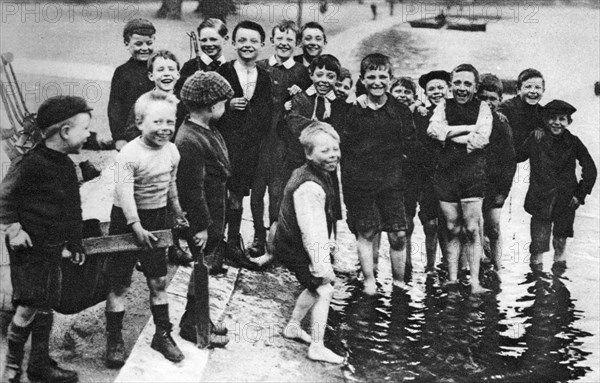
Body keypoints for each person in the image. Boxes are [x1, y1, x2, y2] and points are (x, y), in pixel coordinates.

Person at [0, 96, 92, 383]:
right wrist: (15, 230)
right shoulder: (28, 164)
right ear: (65, 132)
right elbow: (4, 200)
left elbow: (73, 209)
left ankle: (39, 365)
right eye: (85, 128)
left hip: (53, 247)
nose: (89, 134)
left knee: (47, 302)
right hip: (28, 249)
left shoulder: (65, 166)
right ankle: (12, 367)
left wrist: (75, 241)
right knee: (29, 304)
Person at [104, 92, 187, 367]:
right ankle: (114, 339)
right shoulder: (129, 154)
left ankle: (162, 335)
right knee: (120, 283)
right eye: (157, 121)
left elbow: (171, 184)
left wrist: (177, 212)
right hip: (126, 221)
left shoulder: (172, 151)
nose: (165, 128)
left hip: (157, 219)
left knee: (157, 281)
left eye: (170, 121)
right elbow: (124, 192)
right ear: (139, 122)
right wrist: (134, 225)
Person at [341, 53, 415, 294]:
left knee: (399, 234)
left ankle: (399, 282)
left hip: (392, 181)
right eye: (371, 77)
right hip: (362, 182)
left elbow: (410, 143)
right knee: (367, 231)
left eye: (382, 77)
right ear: (362, 79)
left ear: (391, 79)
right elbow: (346, 147)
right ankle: (370, 281)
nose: (377, 82)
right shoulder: (356, 110)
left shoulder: (400, 110)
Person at [274, 121, 344, 365]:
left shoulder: (315, 172)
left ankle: (293, 326)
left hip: (289, 242)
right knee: (324, 288)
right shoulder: (310, 186)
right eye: (324, 151)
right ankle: (317, 345)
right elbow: (311, 232)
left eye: (335, 149)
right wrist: (322, 266)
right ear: (308, 153)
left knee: (313, 286)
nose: (333, 155)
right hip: (293, 245)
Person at [175, 71, 235, 347]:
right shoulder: (189, 139)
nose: (226, 106)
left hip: (214, 212)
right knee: (200, 269)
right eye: (223, 102)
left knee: (206, 267)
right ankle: (192, 323)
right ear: (211, 106)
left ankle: (200, 316)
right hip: (203, 218)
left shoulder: (206, 130)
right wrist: (199, 226)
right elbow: (190, 189)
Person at [427, 63, 492, 295]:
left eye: (467, 84)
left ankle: (474, 281)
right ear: (450, 85)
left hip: (472, 174)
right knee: (452, 227)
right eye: (457, 83)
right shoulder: (444, 105)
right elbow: (434, 130)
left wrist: (449, 134)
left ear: (475, 87)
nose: (461, 88)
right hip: (446, 173)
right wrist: (466, 130)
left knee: (472, 229)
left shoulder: (483, 107)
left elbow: (482, 138)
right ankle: (453, 278)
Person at [250, 20, 311, 258]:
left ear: (296, 44)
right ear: (273, 40)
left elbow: (308, 105)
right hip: (260, 138)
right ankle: (257, 235)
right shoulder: (260, 67)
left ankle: (274, 237)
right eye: (280, 38)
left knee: (277, 191)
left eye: (290, 40)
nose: (284, 43)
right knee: (257, 191)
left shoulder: (303, 73)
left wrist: (298, 97)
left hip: (284, 142)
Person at [517, 100, 596, 275]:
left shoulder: (574, 142)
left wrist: (579, 196)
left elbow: (590, 170)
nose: (557, 123)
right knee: (537, 246)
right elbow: (517, 156)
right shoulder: (535, 138)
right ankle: (536, 284)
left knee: (560, 242)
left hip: (566, 201)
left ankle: (559, 281)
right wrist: (529, 133)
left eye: (562, 119)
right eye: (552, 118)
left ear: (569, 122)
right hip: (540, 199)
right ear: (544, 120)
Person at [216, 20, 272, 269]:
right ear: (233, 43)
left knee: (237, 196)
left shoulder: (265, 77)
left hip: (249, 149)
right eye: (242, 40)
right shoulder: (223, 73)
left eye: (252, 41)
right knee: (219, 195)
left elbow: (266, 113)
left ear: (261, 45)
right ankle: (215, 244)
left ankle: (232, 242)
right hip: (223, 145)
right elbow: (209, 109)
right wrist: (227, 107)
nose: (247, 45)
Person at [403, 70, 451, 274]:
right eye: (431, 89)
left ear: (448, 89)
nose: (436, 92)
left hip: (447, 174)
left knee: (444, 224)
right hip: (420, 174)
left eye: (440, 87)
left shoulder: (455, 112)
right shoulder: (421, 113)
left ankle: (440, 266)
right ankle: (410, 265)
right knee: (426, 222)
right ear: (425, 93)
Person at [476, 73, 517, 275]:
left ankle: (498, 265)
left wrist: (503, 191)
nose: (488, 102)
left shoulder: (501, 124)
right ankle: (474, 265)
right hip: (472, 184)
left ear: (500, 101)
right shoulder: (468, 120)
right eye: (483, 98)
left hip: (494, 186)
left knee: (493, 227)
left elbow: (509, 161)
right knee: (472, 228)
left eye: (492, 99)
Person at [108, 18, 156, 151]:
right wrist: (119, 137)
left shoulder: (160, 67)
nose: (144, 48)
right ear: (126, 43)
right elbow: (115, 107)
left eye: (149, 43)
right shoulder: (122, 72)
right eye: (138, 44)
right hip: (132, 134)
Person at [122, 50, 182, 142]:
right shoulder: (143, 102)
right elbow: (131, 132)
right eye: (160, 70)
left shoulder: (183, 101)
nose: (166, 73)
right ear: (151, 76)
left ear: (178, 74)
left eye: (171, 69)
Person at [175, 18, 229, 99]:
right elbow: (180, 96)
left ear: (225, 39)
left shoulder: (231, 68)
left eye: (213, 39)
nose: (208, 44)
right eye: (204, 40)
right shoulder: (190, 66)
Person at [497, 68, 545, 155]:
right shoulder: (507, 107)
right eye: (528, 87)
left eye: (537, 87)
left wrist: (541, 130)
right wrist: (499, 115)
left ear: (543, 91)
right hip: (506, 156)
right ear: (518, 90)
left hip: (527, 158)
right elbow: (498, 112)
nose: (533, 91)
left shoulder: (542, 112)